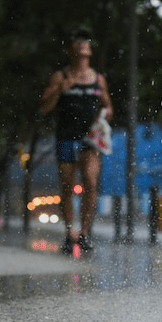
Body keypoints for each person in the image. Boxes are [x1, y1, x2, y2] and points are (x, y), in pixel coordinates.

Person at [39, 28, 113, 254]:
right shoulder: (60, 77)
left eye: (86, 43)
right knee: (67, 187)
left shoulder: (98, 80)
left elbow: (108, 106)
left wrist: (105, 116)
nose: (83, 44)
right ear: (70, 51)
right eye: (78, 43)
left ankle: (85, 233)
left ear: (90, 51)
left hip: (90, 140)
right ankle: (70, 233)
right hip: (65, 137)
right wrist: (61, 89)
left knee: (91, 184)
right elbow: (44, 108)